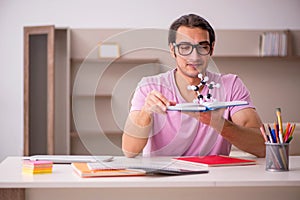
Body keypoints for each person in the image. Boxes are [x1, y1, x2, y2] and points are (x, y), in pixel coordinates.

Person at [122, 13, 265, 158]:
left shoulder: (231, 85)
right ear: (173, 50)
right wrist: (146, 112)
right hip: (163, 177)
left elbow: (262, 147)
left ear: (212, 49)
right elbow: (129, 150)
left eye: (202, 47)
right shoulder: (150, 87)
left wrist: (219, 124)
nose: (194, 57)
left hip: (214, 177)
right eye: (185, 47)